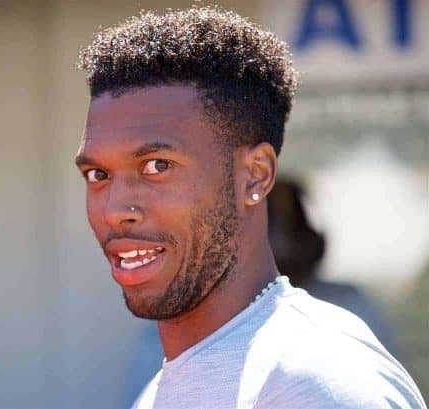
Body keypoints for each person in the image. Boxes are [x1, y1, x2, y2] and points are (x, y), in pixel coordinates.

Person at [74, 6, 426, 409]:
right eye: (98, 174)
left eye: (157, 166)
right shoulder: (164, 386)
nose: (115, 210)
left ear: (255, 176)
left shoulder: (315, 381)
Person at [268, 178, 398, 353]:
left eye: (292, 226)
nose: (281, 239)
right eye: (272, 226)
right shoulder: (239, 314)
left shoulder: (348, 303)